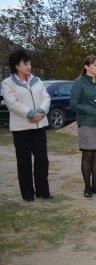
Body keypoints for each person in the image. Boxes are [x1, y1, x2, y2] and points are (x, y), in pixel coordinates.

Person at [1, 49, 51, 202]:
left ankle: (43, 191)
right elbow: (12, 103)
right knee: (24, 161)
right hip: (21, 128)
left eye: (29, 63)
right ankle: (28, 194)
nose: (29, 66)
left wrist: (41, 112)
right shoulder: (7, 83)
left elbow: (46, 97)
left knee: (42, 159)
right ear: (16, 65)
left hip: (39, 126)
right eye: (25, 63)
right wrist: (31, 113)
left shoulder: (37, 80)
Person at [70, 55, 96, 198]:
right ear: (86, 67)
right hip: (86, 124)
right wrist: (94, 110)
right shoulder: (79, 82)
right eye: (95, 65)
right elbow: (74, 104)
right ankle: (87, 187)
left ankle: (95, 187)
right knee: (87, 155)